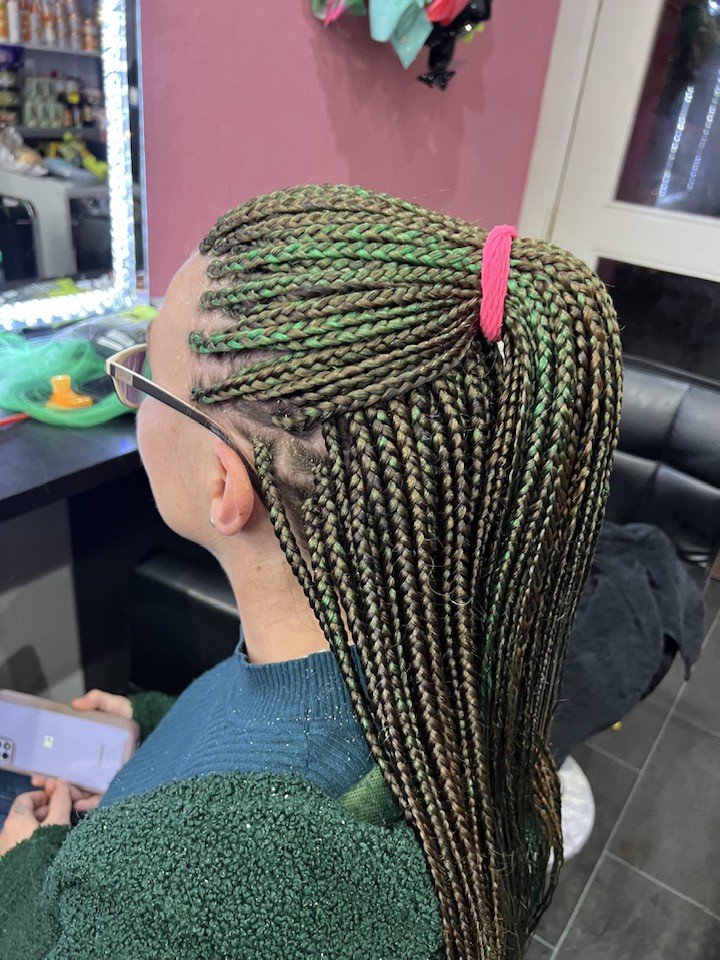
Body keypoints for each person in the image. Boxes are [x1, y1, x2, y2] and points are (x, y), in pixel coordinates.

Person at [0, 184, 622, 960]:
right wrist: (150, 731)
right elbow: (259, 737)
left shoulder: (184, 893)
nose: (130, 391)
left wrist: (23, 866)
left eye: (145, 374)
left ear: (224, 483)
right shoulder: (425, 669)